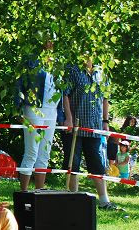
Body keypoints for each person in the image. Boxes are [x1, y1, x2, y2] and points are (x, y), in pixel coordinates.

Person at [62, 58, 120, 211]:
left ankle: (104, 201)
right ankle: (71, 199)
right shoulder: (72, 69)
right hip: (76, 126)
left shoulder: (101, 72)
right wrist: (68, 118)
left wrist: (105, 121)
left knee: (98, 165)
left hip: (95, 127)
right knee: (73, 165)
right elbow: (65, 94)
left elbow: (105, 98)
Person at [14, 53, 58, 190]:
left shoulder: (59, 61)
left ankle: (39, 191)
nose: (51, 43)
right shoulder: (31, 59)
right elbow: (19, 82)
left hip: (52, 111)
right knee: (31, 151)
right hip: (33, 109)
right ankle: (24, 192)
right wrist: (17, 108)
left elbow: (62, 89)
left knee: (44, 153)